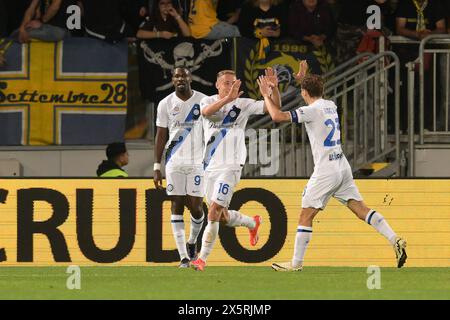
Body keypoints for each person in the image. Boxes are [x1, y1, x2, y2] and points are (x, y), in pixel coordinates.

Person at [257, 61, 407, 271]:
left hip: (326, 170)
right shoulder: (330, 105)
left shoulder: (311, 111)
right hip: (341, 165)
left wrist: (266, 93)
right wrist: (304, 79)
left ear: (304, 92)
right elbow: (313, 91)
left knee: (305, 215)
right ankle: (395, 239)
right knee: (360, 208)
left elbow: (276, 116)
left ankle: (296, 264)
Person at [190, 70, 267, 271]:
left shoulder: (243, 104)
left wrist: (271, 92)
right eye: (226, 83)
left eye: (233, 83)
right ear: (217, 85)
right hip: (209, 167)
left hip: (231, 166)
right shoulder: (206, 101)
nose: (230, 86)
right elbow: (206, 113)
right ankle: (252, 222)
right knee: (221, 216)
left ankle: (202, 259)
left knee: (213, 212)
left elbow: (270, 107)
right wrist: (227, 100)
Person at [154, 67, 207, 268]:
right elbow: (161, 135)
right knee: (176, 204)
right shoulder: (165, 104)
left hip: (196, 162)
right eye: (177, 76)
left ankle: (192, 241)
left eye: (184, 75)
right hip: (174, 161)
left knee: (196, 207)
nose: (180, 79)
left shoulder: (203, 100)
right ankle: (183, 257)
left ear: (190, 78)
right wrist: (157, 166)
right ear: (172, 79)